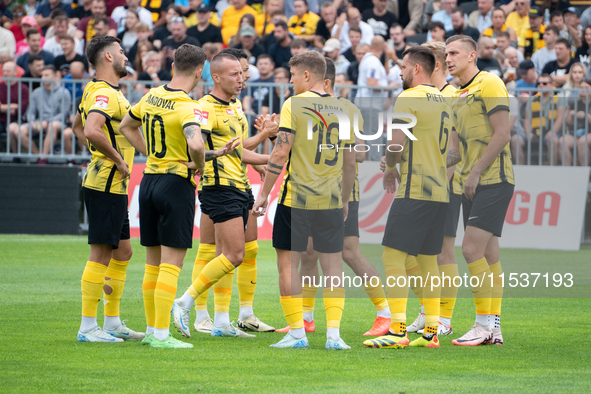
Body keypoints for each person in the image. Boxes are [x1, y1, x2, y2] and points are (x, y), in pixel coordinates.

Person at [252, 51, 356, 350]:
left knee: (288, 265)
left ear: (307, 76)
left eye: (293, 75)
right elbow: (350, 163)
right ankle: (334, 336)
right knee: (333, 268)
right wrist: (346, 199)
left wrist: (263, 195)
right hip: (332, 200)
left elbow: (280, 153)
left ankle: (297, 333)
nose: (290, 81)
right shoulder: (343, 108)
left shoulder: (295, 104)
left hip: (296, 198)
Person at [284, 57, 391, 338]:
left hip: (340, 191)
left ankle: (385, 313)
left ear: (322, 81)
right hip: (310, 192)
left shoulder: (346, 108)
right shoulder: (313, 107)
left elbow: (360, 152)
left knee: (348, 252)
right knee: (308, 253)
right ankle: (306, 317)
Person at [170, 52, 271, 340]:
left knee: (230, 255)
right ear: (216, 77)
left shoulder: (236, 105)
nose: (242, 78)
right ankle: (185, 303)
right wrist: (276, 159)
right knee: (233, 254)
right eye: (235, 74)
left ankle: (223, 321)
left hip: (240, 186)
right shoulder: (204, 108)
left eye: (242, 73)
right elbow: (196, 145)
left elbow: (239, 151)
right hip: (218, 187)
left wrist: (265, 161)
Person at [118, 44, 208, 348]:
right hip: (175, 184)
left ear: (173, 67)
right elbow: (195, 143)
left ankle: (151, 328)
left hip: (149, 181)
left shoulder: (152, 95)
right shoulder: (189, 106)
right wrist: (200, 166)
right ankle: (160, 335)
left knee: (152, 263)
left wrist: (151, 152)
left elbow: (126, 125)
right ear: (198, 71)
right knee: (172, 263)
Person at [363, 46, 451, 349]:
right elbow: (454, 151)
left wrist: (389, 167)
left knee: (392, 256)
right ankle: (430, 332)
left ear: (416, 69)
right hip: (440, 190)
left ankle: (398, 330)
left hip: (416, 187)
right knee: (428, 261)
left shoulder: (409, 97)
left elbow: (396, 142)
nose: (399, 72)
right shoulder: (445, 99)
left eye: (403, 67)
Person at [71, 36, 145, 343]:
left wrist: (97, 154)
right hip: (105, 183)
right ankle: (88, 327)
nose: (126, 56)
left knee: (123, 252)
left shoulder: (97, 90)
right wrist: (114, 158)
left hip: (113, 184)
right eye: (122, 52)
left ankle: (112, 322)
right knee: (101, 253)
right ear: (108, 57)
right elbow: (90, 129)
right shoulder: (103, 92)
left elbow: (77, 126)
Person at [446, 34, 514, 346]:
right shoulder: (456, 95)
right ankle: (494, 329)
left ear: (472, 55)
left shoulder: (489, 82)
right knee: (488, 253)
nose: (448, 59)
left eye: (454, 53)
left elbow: (503, 134)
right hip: (470, 182)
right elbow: (454, 150)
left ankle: (482, 324)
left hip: (493, 179)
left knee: (471, 249)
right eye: (446, 54)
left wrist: (474, 172)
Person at [405, 41, 461, 336]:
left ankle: (445, 319)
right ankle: (428, 310)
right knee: (413, 254)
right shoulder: (425, 95)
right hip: (419, 184)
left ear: (433, 65)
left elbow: (456, 146)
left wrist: (445, 180)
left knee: (442, 252)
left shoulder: (451, 96)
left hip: (444, 185)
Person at [12, 65, 70, 157]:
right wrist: (31, 120)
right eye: (42, 75)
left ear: (54, 76)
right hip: (39, 122)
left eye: (46, 75)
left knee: (52, 126)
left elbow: (63, 114)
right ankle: (38, 155)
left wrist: (47, 122)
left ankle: (43, 156)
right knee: (19, 130)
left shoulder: (64, 92)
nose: (43, 78)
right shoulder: (36, 92)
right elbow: (31, 111)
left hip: (57, 123)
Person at [519, 74, 559, 165]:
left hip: (552, 132)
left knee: (552, 139)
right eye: (539, 83)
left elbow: (560, 118)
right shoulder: (532, 100)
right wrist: (528, 133)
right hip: (535, 131)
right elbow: (527, 120)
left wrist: (552, 131)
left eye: (544, 83)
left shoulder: (559, 98)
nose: (541, 85)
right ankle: (518, 171)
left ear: (552, 84)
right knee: (515, 140)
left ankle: (552, 169)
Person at [1, 61, 28, 146]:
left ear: (15, 72)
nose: (5, 73)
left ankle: (15, 156)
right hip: (1, 120)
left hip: (17, 120)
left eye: (8, 71)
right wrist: (13, 106)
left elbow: (21, 109)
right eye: (4, 71)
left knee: (12, 128)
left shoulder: (23, 88)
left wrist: (3, 107)